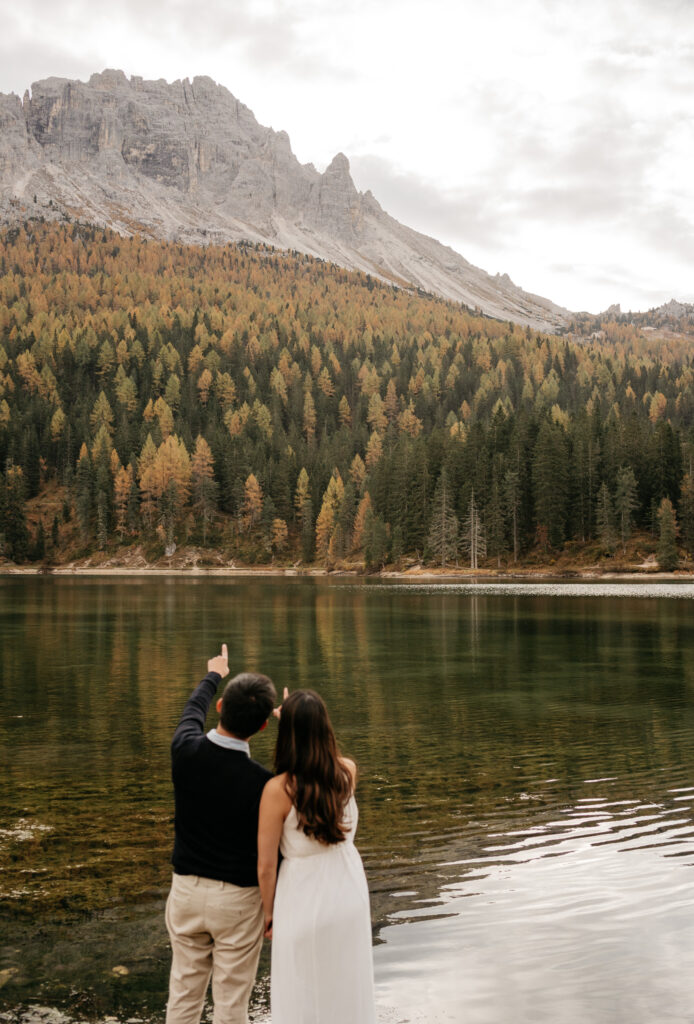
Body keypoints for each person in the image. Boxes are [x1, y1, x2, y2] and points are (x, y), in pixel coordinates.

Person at [165, 644, 277, 1024]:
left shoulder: (184, 750)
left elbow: (189, 712)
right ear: (263, 726)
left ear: (219, 709)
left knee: (183, 995)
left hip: (186, 892)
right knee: (231, 1006)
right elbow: (272, 853)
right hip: (239, 903)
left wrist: (214, 675)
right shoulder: (265, 785)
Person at [258, 689, 377, 1024]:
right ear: (326, 728)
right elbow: (319, 751)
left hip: (303, 897)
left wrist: (269, 915)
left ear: (287, 736)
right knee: (345, 987)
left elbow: (266, 867)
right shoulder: (346, 773)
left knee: (302, 991)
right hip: (348, 892)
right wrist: (296, 716)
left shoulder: (277, 790)